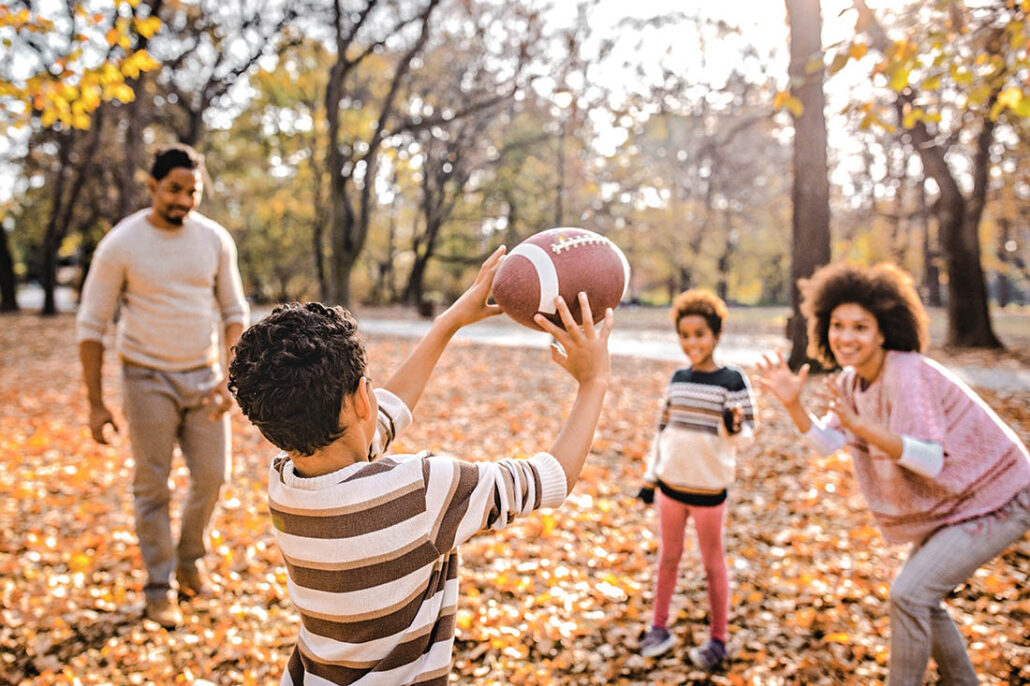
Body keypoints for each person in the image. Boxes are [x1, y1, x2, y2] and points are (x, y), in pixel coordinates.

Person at [227, 247, 614, 685]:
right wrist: (593, 381)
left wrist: (448, 323)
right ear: (361, 398)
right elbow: (553, 479)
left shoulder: (287, 479)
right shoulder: (422, 491)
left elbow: (381, 415)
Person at [754, 262, 1030, 686]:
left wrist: (864, 427)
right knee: (922, 600)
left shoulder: (905, 372)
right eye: (838, 325)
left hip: (1002, 494)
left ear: (883, 331)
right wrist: (794, 405)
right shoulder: (850, 382)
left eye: (860, 327)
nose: (846, 337)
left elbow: (930, 460)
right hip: (958, 501)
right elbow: (829, 444)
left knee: (910, 595)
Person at [77, 143, 249, 629]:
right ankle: (159, 586)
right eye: (173, 190)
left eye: (192, 192)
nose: (183, 200)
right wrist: (95, 404)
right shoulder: (120, 244)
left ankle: (190, 558)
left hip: (204, 377)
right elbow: (91, 326)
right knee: (152, 486)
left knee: (214, 476)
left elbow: (235, 315)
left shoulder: (215, 240)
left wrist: (229, 379)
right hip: (145, 376)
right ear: (151, 185)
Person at [636, 290, 756, 668]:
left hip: (709, 491)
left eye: (700, 334)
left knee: (712, 563)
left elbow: (747, 433)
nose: (692, 343)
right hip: (671, 488)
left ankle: (718, 639)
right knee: (668, 558)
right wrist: (650, 478)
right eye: (685, 335)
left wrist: (733, 427)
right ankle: (659, 627)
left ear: (716, 335)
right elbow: (662, 431)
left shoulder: (733, 380)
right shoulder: (678, 378)